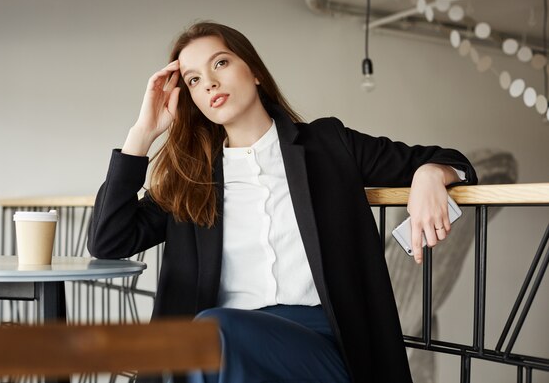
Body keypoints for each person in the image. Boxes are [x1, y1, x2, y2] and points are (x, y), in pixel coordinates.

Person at [88, 21, 477, 383]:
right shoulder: (191, 180)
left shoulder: (328, 145)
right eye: (193, 80)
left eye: (220, 63)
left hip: (324, 346)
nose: (209, 83)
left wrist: (430, 174)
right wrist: (142, 133)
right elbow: (110, 240)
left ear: (254, 71)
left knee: (212, 333)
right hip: (224, 351)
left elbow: (453, 161)